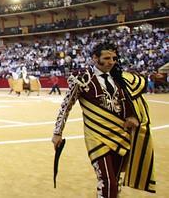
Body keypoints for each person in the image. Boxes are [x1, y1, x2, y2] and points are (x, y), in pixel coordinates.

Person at [52, 42, 155, 197]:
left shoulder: (120, 78)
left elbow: (131, 101)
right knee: (107, 181)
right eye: (106, 58)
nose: (111, 62)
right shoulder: (82, 78)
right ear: (95, 58)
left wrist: (132, 116)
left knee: (115, 181)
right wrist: (57, 132)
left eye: (114, 58)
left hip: (121, 135)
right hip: (97, 136)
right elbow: (66, 106)